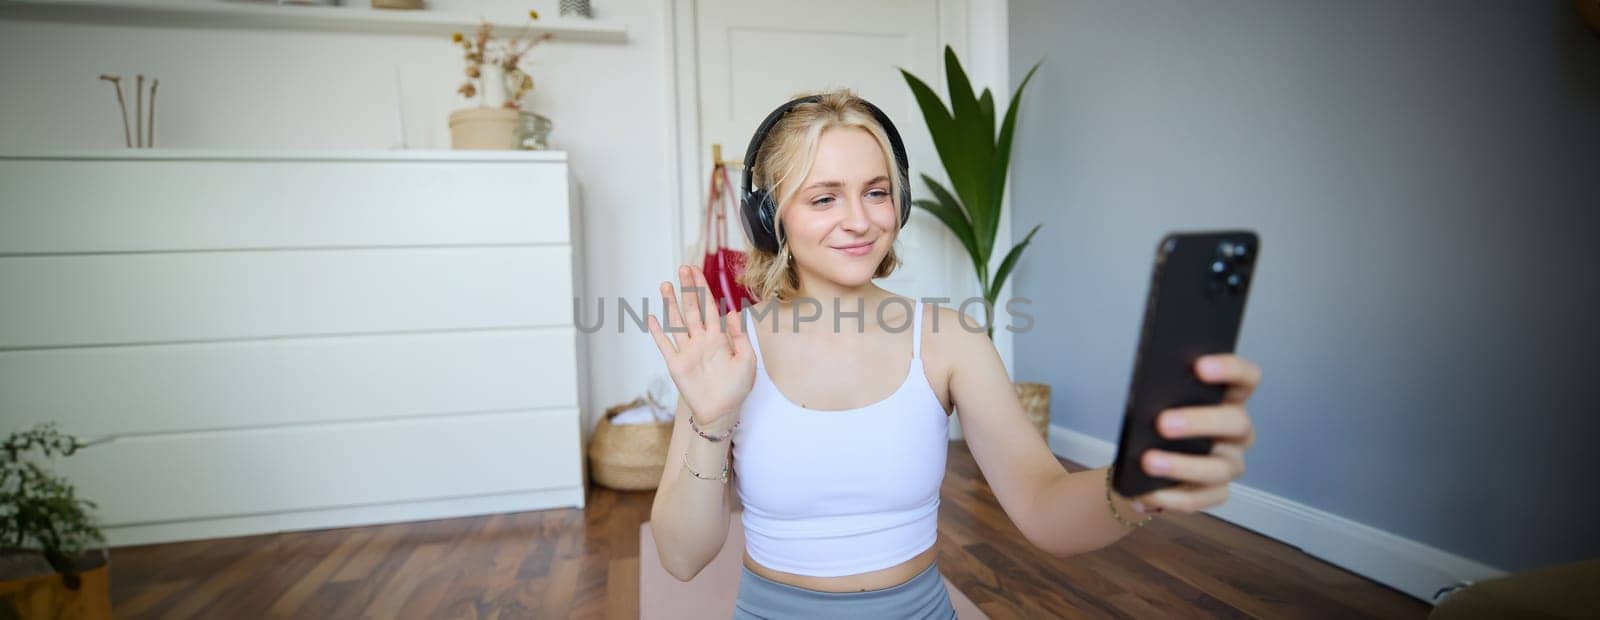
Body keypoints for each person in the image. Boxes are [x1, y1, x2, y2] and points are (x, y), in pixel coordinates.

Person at [644, 90, 1262, 619]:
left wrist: (1136, 486)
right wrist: (711, 419)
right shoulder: (725, 350)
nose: (859, 220)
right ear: (769, 216)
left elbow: (1046, 508)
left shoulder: (949, 339)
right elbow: (681, 556)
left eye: (877, 192)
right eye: (824, 197)